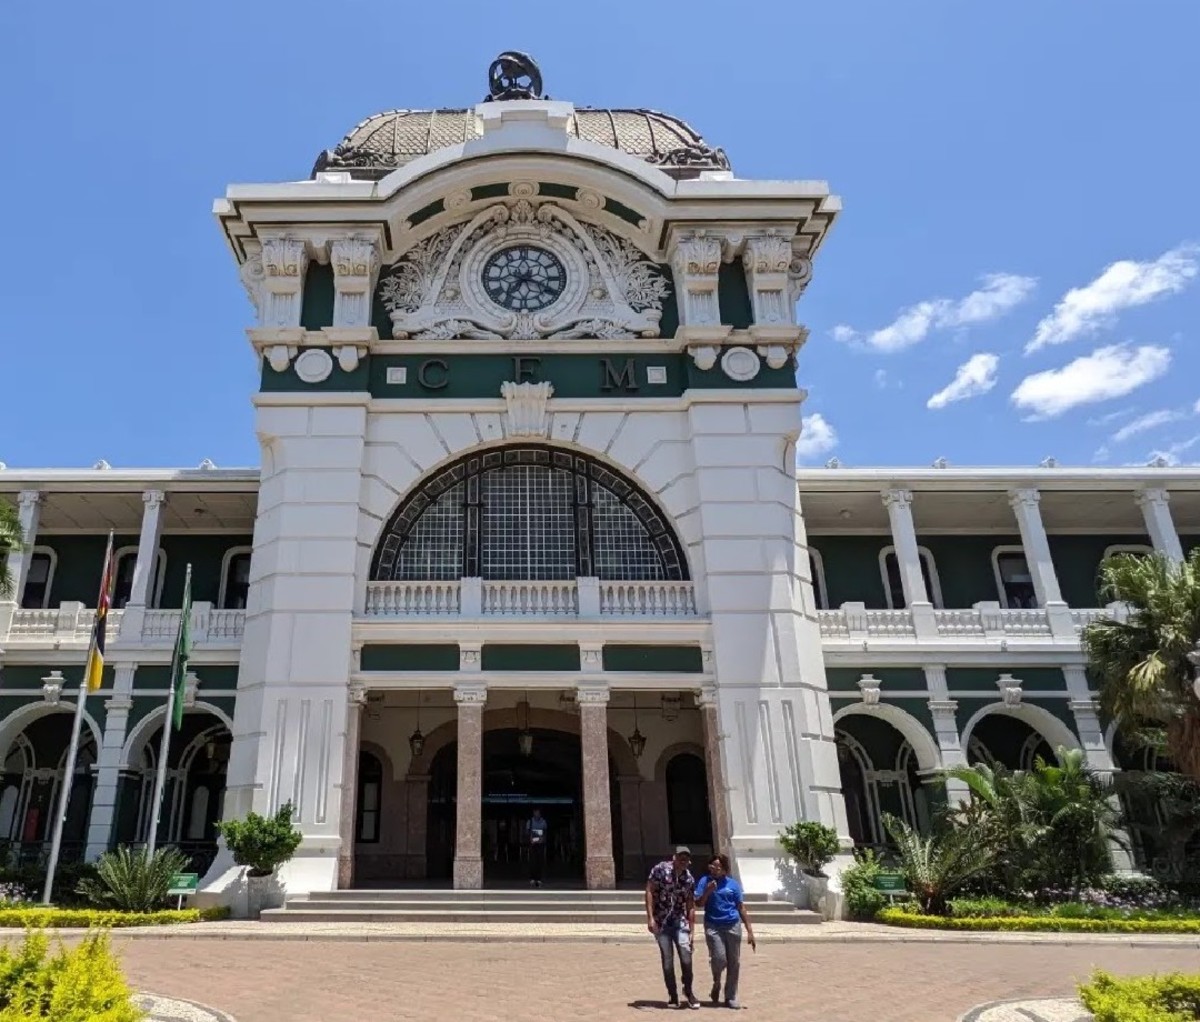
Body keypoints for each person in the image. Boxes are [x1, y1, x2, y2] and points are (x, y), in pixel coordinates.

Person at [694, 854, 756, 1009]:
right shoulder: (704, 881)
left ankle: (731, 996)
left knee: (734, 962)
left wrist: (750, 931)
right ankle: (716, 982)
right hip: (713, 926)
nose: (715, 869)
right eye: (713, 866)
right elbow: (698, 903)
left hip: (732, 925)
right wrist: (708, 891)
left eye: (718, 867)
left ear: (725, 869)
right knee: (719, 958)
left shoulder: (733, 885)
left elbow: (741, 907)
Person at [645, 846, 700, 1009]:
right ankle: (672, 994)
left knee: (686, 956)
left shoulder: (689, 879)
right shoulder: (660, 869)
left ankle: (688, 991)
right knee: (667, 960)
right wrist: (650, 918)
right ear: (674, 857)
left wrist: (692, 930)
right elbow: (649, 890)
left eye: (686, 858)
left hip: (679, 921)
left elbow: (690, 905)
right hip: (661, 921)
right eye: (680, 857)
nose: (683, 861)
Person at [528, 808, 548, 887]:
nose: (537, 815)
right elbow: (527, 832)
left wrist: (542, 839)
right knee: (533, 861)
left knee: (540, 861)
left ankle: (539, 878)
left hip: (540, 843)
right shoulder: (530, 822)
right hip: (532, 844)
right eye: (535, 813)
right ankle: (532, 878)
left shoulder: (543, 822)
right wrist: (530, 839)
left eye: (538, 813)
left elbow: (545, 832)